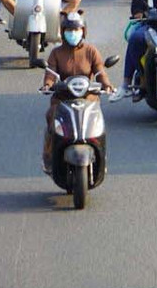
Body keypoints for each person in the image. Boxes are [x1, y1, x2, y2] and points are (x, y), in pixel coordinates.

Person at [39, 11, 113, 170]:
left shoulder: (91, 51)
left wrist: (106, 85)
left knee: (98, 123)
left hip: (88, 98)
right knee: (51, 117)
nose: (73, 33)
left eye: (77, 30)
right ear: (63, 32)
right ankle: (49, 154)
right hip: (63, 99)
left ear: (83, 31)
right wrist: (47, 84)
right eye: (69, 31)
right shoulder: (56, 53)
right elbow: (50, 73)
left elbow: (100, 71)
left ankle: (101, 156)